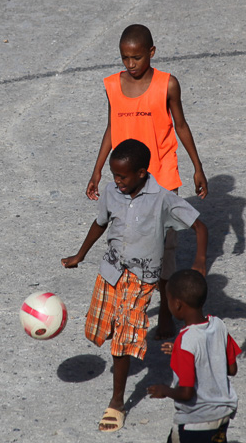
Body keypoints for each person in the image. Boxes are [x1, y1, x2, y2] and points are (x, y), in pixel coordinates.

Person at [63, 139, 208, 433]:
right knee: (99, 330)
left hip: (141, 279)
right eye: (114, 175)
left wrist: (200, 261)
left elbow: (199, 226)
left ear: (142, 173)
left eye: (122, 176)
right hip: (110, 272)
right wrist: (80, 254)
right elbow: (100, 222)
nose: (117, 181)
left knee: (123, 341)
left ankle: (117, 402)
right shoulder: (112, 192)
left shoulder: (162, 199)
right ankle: (122, 347)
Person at [86, 24, 208, 339]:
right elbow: (111, 128)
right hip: (125, 180)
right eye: (125, 58)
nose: (130, 65)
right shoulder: (113, 85)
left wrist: (197, 166)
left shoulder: (168, 85)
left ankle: (166, 312)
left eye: (137, 57)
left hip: (162, 178)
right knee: (122, 242)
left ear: (151, 53)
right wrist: (98, 170)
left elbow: (180, 124)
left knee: (164, 249)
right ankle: (124, 307)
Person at [148, 269, 241, 443]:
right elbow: (232, 368)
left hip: (196, 422)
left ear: (177, 304)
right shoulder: (218, 325)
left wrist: (164, 390)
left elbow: (186, 393)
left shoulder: (186, 341)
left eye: (167, 300)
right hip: (222, 415)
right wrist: (178, 351)